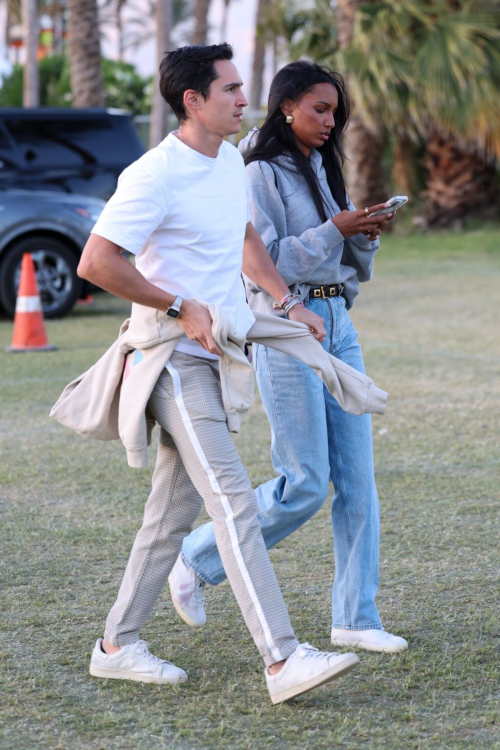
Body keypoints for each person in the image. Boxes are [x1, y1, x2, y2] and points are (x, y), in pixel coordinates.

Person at [76, 45, 364, 705]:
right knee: (233, 500)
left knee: (169, 515)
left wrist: (288, 304)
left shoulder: (230, 160)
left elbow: (245, 241)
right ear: (194, 101)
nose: (244, 100)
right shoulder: (155, 173)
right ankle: (282, 659)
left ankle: (117, 645)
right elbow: (96, 261)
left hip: (215, 356)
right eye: (231, 89)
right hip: (170, 358)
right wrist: (179, 304)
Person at [171, 60, 408, 654]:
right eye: (318, 110)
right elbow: (264, 258)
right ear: (286, 106)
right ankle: (197, 558)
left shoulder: (324, 168)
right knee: (304, 482)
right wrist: (335, 228)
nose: (330, 122)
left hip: (337, 322)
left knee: (358, 481)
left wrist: (362, 237)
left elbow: (343, 266)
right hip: (282, 325)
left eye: (335, 111)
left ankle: (356, 615)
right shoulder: (256, 173)